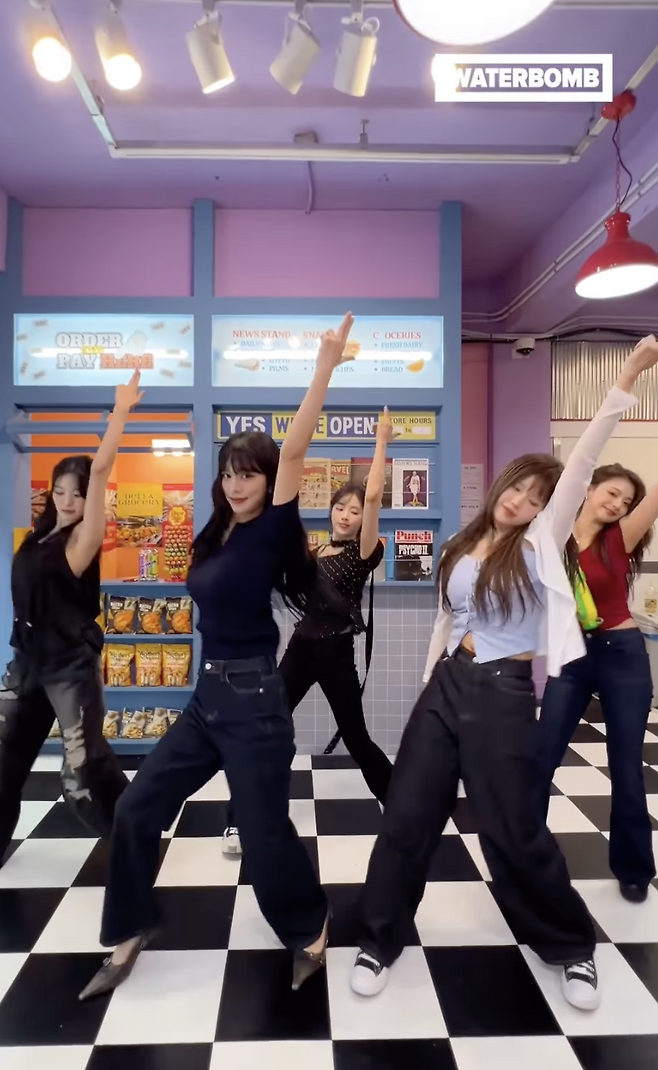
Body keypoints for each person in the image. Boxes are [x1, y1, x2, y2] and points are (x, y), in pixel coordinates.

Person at [349, 335, 658, 1013]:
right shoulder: (463, 543)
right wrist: (430, 683)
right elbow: (449, 620)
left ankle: (571, 946)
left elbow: (581, 461)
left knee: (512, 828)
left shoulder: (542, 543)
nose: (521, 500)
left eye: (535, 496)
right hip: (448, 687)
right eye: (517, 486)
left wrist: (628, 377)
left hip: (504, 693)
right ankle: (379, 938)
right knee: (407, 815)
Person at [79, 313, 357, 1002]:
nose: (237, 484)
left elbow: (296, 448)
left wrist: (322, 369)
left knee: (262, 836)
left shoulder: (272, 530)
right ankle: (130, 928)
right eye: (230, 473)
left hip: (256, 701)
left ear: (268, 479)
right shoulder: (216, 534)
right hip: (207, 698)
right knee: (137, 806)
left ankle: (310, 925)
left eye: (249, 474)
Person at [221, 408, 395, 857]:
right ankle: (240, 819)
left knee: (357, 738)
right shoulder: (317, 551)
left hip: (336, 655)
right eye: (341, 507)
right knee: (264, 731)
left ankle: (401, 808)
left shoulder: (364, 551)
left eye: (354, 511)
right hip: (300, 650)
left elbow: (374, 495)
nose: (347, 515)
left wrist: (381, 442)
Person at [0, 372, 144, 865]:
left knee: (82, 776)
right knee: (5, 762)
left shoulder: (83, 540)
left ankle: (135, 845)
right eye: (59, 491)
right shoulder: (36, 537)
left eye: (76, 494)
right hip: (26, 665)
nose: (66, 500)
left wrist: (119, 413)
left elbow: (100, 470)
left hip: (68, 671)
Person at [538, 461, 658, 902]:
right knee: (541, 759)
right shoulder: (553, 535)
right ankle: (527, 859)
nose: (618, 504)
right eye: (612, 493)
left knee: (626, 766)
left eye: (626, 502)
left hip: (622, 656)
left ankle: (634, 869)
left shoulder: (619, 537)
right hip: (571, 657)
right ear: (589, 489)